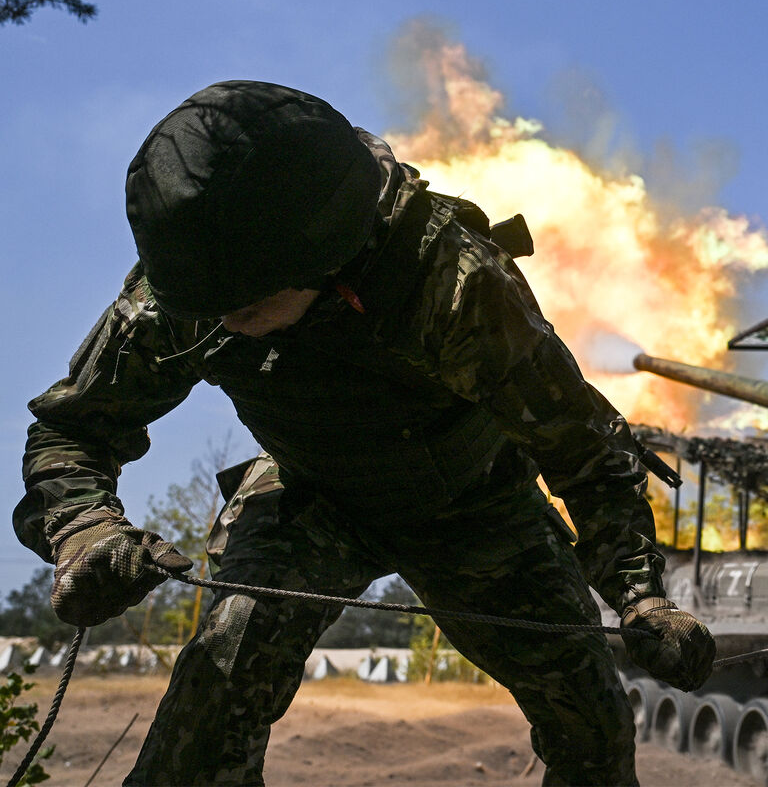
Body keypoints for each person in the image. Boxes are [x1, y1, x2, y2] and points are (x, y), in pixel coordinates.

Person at [14, 80, 714, 786]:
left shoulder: (456, 285)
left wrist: (640, 597)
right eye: (211, 306)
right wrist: (84, 532)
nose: (225, 322)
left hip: (477, 511)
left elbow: (585, 452)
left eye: (250, 305)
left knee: (590, 725)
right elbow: (71, 431)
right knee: (215, 693)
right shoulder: (188, 293)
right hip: (311, 495)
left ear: (329, 255)